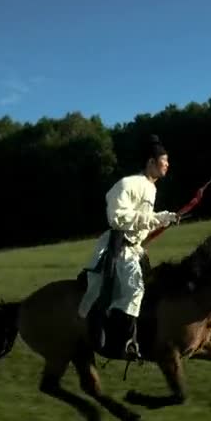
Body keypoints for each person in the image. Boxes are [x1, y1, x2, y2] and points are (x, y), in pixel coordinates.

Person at [77, 134, 179, 360]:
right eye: (164, 160)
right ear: (151, 162)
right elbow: (116, 217)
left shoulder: (150, 188)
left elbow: (146, 216)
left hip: (135, 249)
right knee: (135, 290)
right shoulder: (127, 184)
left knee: (151, 288)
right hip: (119, 247)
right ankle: (124, 343)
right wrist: (152, 220)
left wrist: (167, 217)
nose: (168, 164)